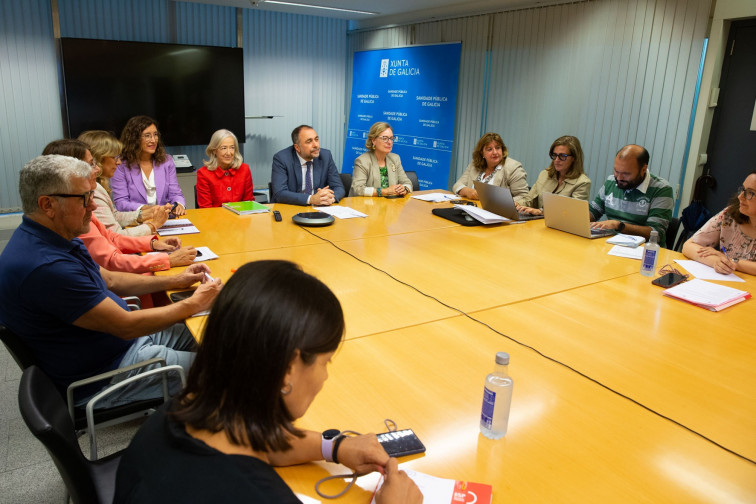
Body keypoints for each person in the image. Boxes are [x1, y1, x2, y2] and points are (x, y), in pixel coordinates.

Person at [114, 260, 422, 503]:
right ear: (288, 369)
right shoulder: (256, 494)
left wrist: (335, 446)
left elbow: (259, 438)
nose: (326, 376)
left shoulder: (174, 415)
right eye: (326, 362)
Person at [0, 155, 222, 408]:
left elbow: (111, 279)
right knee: (232, 371)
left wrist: (176, 279)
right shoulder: (46, 268)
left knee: (219, 333)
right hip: (108, 372)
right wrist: (194, 303)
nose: (93, 207)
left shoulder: (57, 236)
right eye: (85, 198)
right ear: (47, 204)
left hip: (123, 343)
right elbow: (126, 326)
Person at [42, 139, 197, 274]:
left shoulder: (83, 199)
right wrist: (165, 256)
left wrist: (152, 242)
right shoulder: (78, 209)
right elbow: (112, 262)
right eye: (91, 164)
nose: (97, 169)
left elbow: (111, 237)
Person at [78, 130, 170, 236]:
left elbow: (113, 216)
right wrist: (154, 225)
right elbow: (116, 236)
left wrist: (143, 214)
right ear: (98, 159)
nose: (119, 162)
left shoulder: (96, 186)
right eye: (114, 157)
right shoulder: (93, 191)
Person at [589, 144, 674, 244]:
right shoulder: (611, 181)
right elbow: (594, 211)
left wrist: (619, 226)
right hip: (610, 244)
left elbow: (656, 233)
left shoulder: (661, 189)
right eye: (616, 171)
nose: (619, 177)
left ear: (643, 169)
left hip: (644, 251)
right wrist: (577, 217)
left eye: (626, 174)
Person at [682, 171, 756, 276]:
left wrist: (730, 261)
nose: (740, 197)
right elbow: (688, 246)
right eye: (743, 189)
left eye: (750, 193)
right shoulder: (729, 215)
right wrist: (716, 262)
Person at [111, 115, 186, 215]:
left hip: (163, 219)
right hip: (135, 221)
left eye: (155, 135)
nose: (153, 140)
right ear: (134, 138)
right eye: (147, 136)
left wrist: (179, 204)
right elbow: (121, 202)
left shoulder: (167, 161)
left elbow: (175, 193)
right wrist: (147, 209)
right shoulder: (120, 164)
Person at [516, 135, 592, 216]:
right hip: (536, 224)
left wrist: (541, 212)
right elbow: (529, 199)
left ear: (574, 158)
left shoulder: (582, 183)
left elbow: (572, 214)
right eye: (554, 155)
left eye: (562, 156)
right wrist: (517, 204)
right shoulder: (545, 174)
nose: (556, 160)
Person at [271, 125, 345, 206]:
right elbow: (280, 193)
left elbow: (338, 187)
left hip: (318, 209)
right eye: (309, 141)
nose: (315, 145)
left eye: (316, 139)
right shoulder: (282, 158)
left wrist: (329, 198)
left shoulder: (326, 156)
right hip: (290, 207)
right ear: (297, 147)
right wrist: (311, 199)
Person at [452, 133, 528, 201]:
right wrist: (467, 191)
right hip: (472, 209)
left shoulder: (513, 167)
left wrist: (501, 204)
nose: (495, 152)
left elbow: (523, 197)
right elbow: (457, 185)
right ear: (482, 153)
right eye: (489, 149)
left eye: (498, 148)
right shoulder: (474, 165)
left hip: (497, 214)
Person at [350, 122, 413, 197]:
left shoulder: (395, 158)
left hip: (392, 205)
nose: (389, 142)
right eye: (385, 138)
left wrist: (404, 189)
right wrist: (385, 191)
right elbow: (358, 189)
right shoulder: (362, 161)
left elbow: (408, 183)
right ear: (373, 141)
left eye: (391, 138)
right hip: (367, 206)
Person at [196, 129, 255, 208]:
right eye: (224, 148)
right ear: (214, 150)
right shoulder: (203, 174)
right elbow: (205, 209)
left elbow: (249, 203)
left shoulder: (245, 169)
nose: (229, 153)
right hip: (215, 219)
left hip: (240, 219)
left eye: (232, 148)